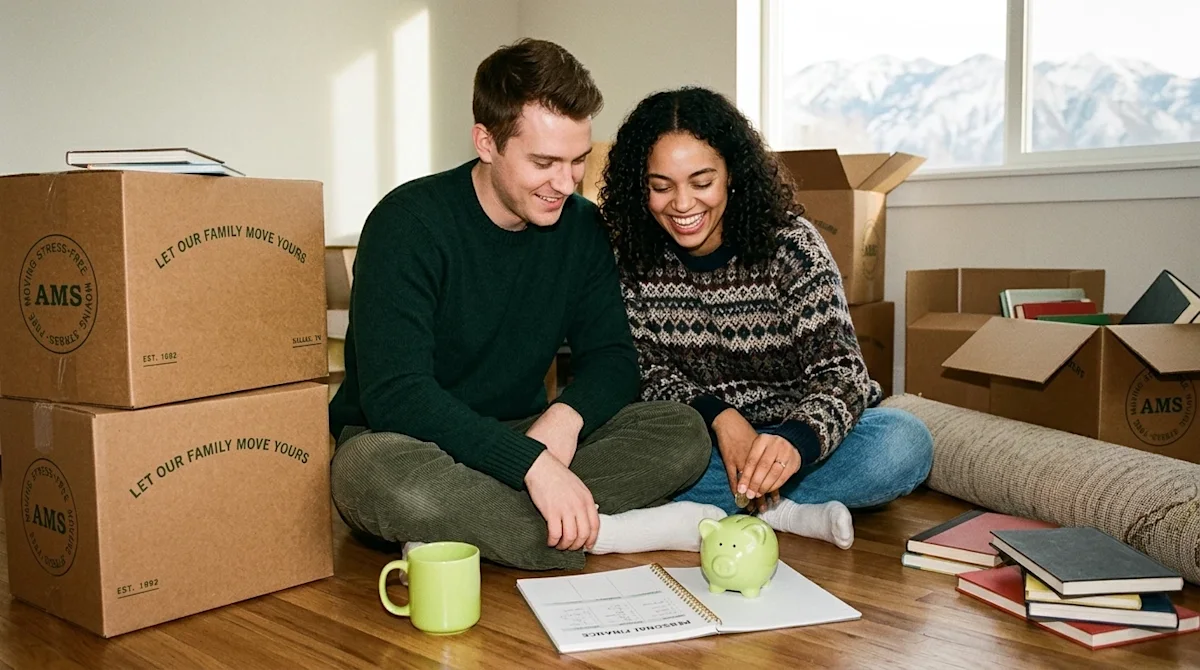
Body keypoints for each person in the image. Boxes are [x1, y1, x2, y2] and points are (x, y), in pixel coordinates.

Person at [328, 41, 725, 572]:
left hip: (524, 427)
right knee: (366, 472)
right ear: (486, 142)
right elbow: (396, 394)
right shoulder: (407, 224)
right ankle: (605, 533)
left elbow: (612, 359)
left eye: (578, 160)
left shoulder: (582, 228)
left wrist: (564, 418)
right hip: (411, 440)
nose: (565, 183)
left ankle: (478, 528)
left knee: (682, 433)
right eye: (544, 162)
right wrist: (531, 467)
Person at [598, 87, 933, 550]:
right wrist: (721, 419)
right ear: (641, 189)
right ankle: (782, 511)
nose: (681, 204)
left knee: (904, 444)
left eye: (701, 182)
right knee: (632, 456)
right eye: (661, 187)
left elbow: (843, 373)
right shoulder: (631, 258)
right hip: (706, 444)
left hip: (802, 440)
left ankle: (721, 508)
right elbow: (647, 371)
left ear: (731, 174)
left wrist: (794, 442)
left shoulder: (790, 246)